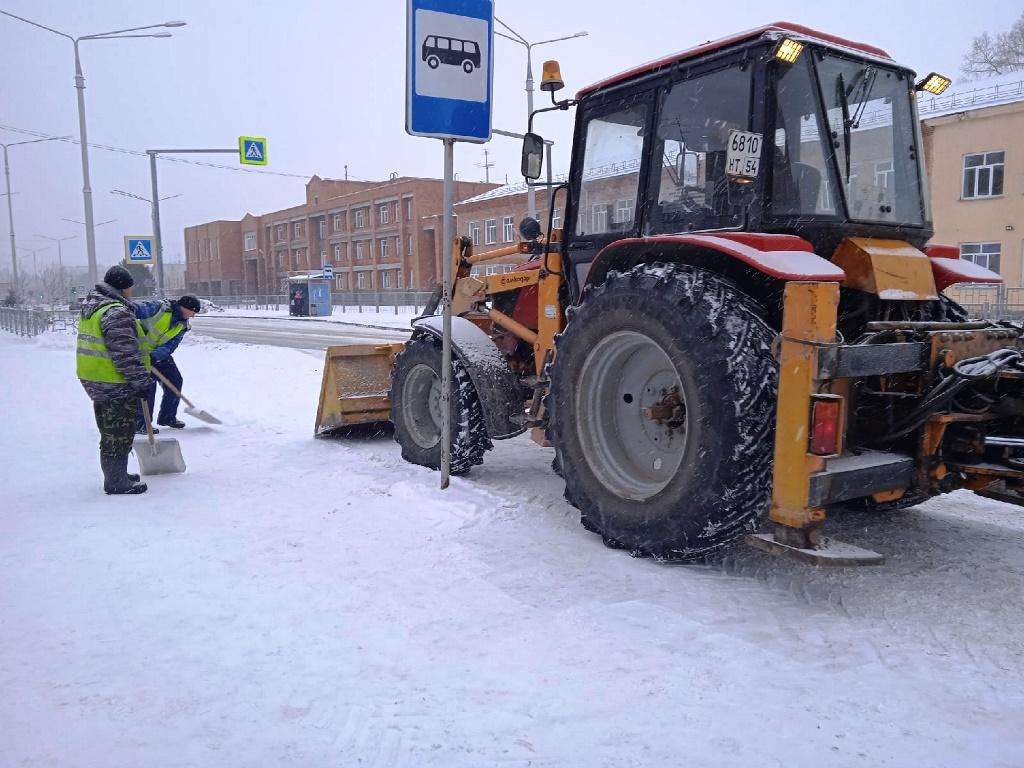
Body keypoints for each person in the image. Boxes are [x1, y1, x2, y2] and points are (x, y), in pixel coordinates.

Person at [76, 265, 151, 495]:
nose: (131, 291)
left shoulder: (94, 307)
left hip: (95, 377)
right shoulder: (116, 311)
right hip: (113, 380)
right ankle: (116, 482)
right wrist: (140, 380)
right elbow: (124, 353)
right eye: (130, 287)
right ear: (123, 287)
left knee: (110, 431)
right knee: (119, 433)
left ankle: (118, 474)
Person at [134, 294, 201, 431]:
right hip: (138, 352)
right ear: (185, 307)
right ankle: (142, 423)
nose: (193, 316)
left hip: (157, 355)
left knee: (175, 380)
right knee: (148, 386)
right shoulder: (159, 308)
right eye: (193, 312)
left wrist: (155, 356)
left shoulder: (182, 326)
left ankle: (167, 417)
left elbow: (171, 345)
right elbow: (135, 309)